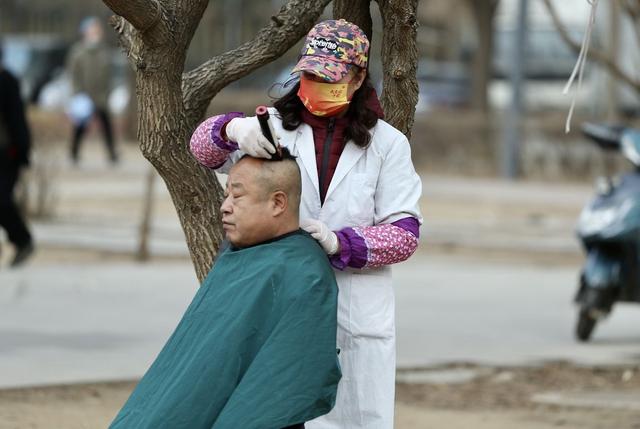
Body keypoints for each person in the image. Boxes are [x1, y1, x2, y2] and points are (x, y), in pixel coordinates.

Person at [190, 19, 423, 429]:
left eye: (330, 77)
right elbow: (201, 149)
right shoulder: (270, 130)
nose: (317, 85)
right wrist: (232, 128)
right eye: (310, 75)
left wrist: (340, 244)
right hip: (280, 305)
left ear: (358, 77)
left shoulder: (388, 145)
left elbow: (404, 234)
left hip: (354, 315)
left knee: (354, 418)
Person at [110, 151, 341, 429]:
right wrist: (232, 128)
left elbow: (279, 387)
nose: (225, 207)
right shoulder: (237, 255)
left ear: (278, 202)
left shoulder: (303, 273)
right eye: (226, 195)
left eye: (238, 196)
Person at [0, 44, 35, 267]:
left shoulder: (8, 82)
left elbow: (17, 121)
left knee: (1, 201)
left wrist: (21, 152)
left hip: (5, 154)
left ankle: (23, 240)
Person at [66, 16, 118, 164]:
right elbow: (74, 75)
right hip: (84, 97)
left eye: (97, 29)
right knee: (80, 126)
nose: (95, 32)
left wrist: (107, 93)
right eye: (92, 29)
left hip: (101, 97)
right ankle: (73, 152)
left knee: (106, 126)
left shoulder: (104, 52)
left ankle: (112, 153)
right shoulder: (78, 53)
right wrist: (78, 94)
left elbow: (109, 76)